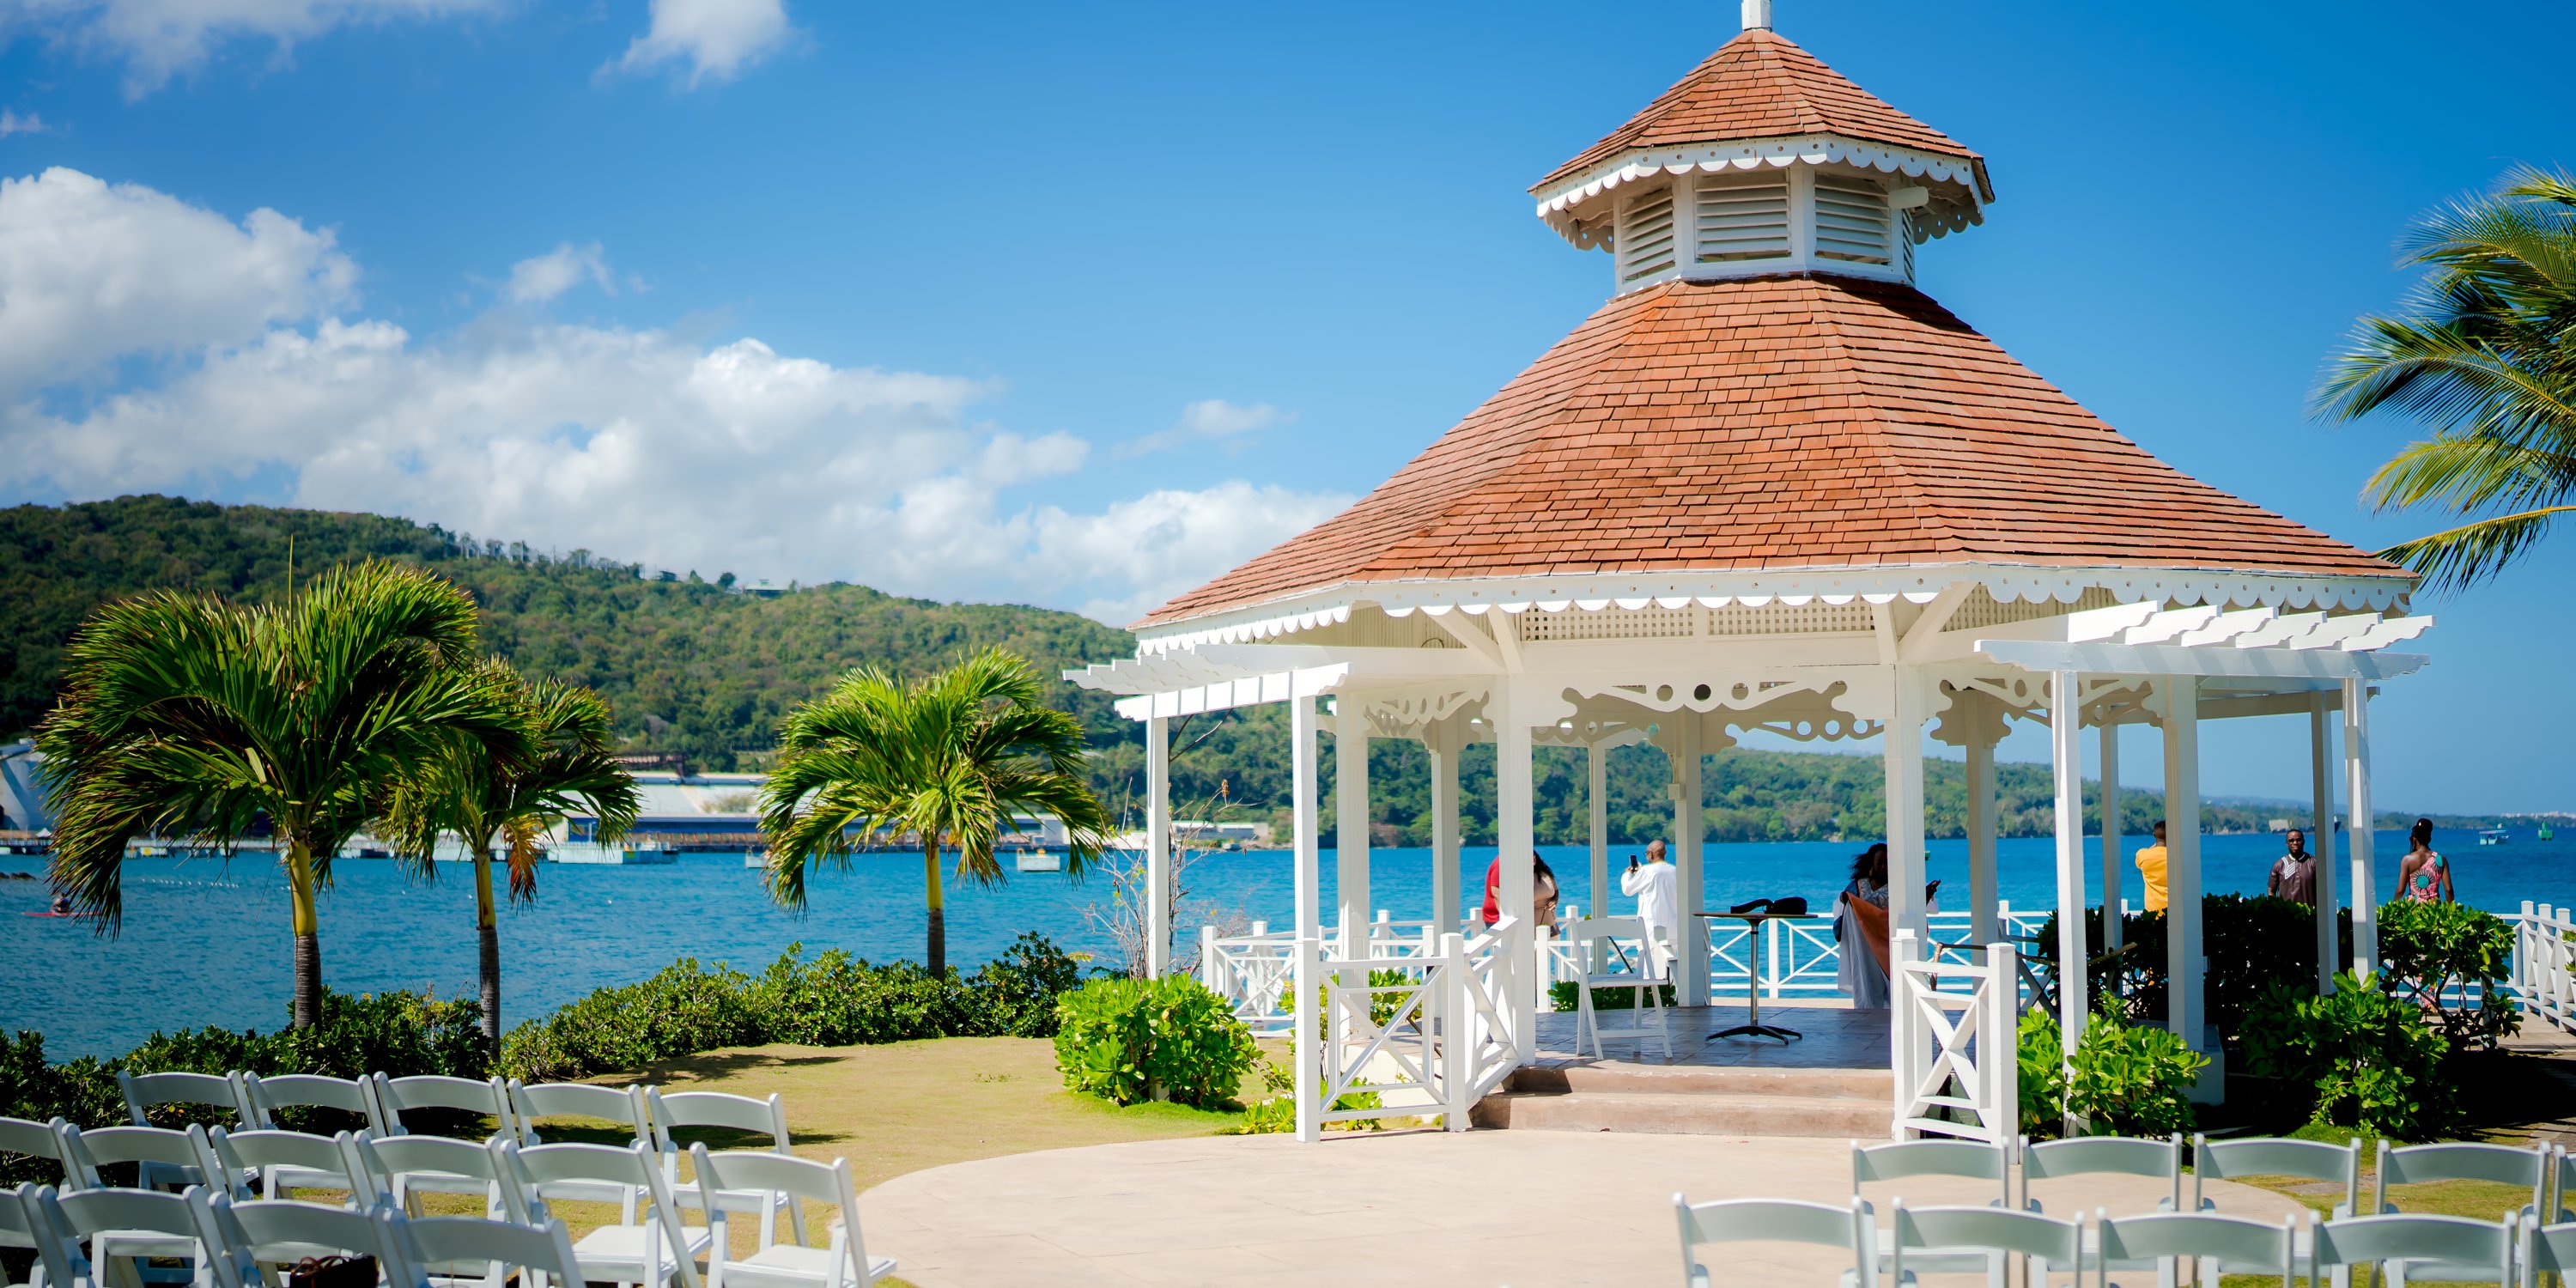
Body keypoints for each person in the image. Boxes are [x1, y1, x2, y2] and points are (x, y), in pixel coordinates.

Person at [1836, 844, 1893, 1009]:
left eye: (1887, 863)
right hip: (1862, 944)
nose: (1883, 867)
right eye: (1879, 863)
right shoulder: (1858, 885)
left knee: (1890, 983)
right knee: (1865, 979)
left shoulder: (1899, 886)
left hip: (1886, 943)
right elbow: (1843, 907)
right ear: (1871, 864)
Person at [1619, 839, 1680, 980]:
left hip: (1651, 927)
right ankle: (1673, 995)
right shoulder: (1675, 871)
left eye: (1646, 853)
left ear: (1651, 854)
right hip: (1673, 927)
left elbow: (1628, 889)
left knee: (1649, 968)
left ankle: (1653, 996)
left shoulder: (1647, 870)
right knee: (1672, 967)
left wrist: (1628, 874)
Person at [1479, 854, 1562, 929]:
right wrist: (1507, 918)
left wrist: (1554, 901)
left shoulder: (1536, 872)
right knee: (1506, 945)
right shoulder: (1501, 864)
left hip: (1539, 921)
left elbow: (1555, 890)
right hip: (1498, 917)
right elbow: (1497, 894)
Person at [2399, 818, 2451, 902]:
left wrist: (2394, 909)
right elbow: (2448, 890)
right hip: (2434, 911)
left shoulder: (2407, 860)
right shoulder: (2441, 860)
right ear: (2430, 839)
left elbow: (2400, 890)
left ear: (2414, 840)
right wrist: (2451, 911)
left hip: (2413, 911)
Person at [2269, 828, 2318, 905]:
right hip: (2286, 915)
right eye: (2291, 840)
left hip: (2309, 915)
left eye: (2298, 840)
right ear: (2286, 843)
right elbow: (2271, 890)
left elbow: (2324, 889)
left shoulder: (2314, 863)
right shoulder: (2279, 865)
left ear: (2303, 842)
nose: (2295, 843)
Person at [2136, 821, 2170, 914]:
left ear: (2154, 834)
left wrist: (2158, 842)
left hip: (2152, 915)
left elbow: (2139, 862)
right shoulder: (2176, 857)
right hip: (2175, 912)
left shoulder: (2143, 855)